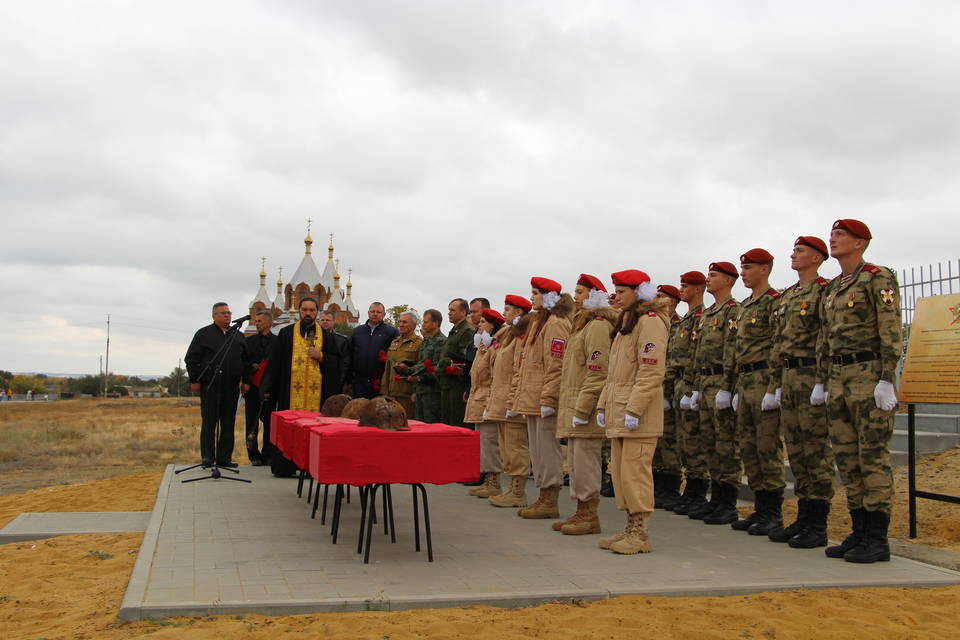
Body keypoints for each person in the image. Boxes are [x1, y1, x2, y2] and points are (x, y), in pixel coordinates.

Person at [816, 219, 902, 564]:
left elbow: (890, 325)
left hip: (868, 376)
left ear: (860, 243)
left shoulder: (877, 276)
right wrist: (823, 380)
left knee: (872, 458)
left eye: (840, 235)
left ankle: (878, 539)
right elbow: (825, 336)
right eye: (833, 234)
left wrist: (886, 377)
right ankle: (860, 531)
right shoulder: (835, 286)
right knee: (848, 460)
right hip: (839, 377)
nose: (833, 240)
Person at [766, 236, 835, 548]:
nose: (793, 255)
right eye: (793, 250)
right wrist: (775, 383)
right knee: (797, 452)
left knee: (815, 452)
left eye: (800, 251)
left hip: (811, 377)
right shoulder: (788, 296)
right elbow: (778, 342)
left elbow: (825, 336)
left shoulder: (825, 289)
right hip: (790, 377)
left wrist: (821, 380)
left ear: (817, 258)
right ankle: (804, 518)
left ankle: (817, 524)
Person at [596, 270, 669, 554]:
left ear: (639, 292)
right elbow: (613, 374)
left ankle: (640, 534)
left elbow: (651, 371)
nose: (617, 295)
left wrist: (635, 409)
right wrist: (604, 404)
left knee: (636, 473)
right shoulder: (628, 322)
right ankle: (629, 527)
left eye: (623, 291)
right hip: (619, 410)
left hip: (638, 415)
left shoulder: (650, 323)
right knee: (623, 474)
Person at [554, 274, 617, 535]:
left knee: (586, 462)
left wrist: (583, 408)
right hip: (574, 402)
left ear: (594, 296)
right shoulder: (582, 325)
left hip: (585, 406)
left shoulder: (598, 325)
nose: (576, 297)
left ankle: (589, 515)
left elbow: (597, 371)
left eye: (581, 292)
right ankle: (581, 510)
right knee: (578, 462)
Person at [729, 248, 786, 535]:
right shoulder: (744, 305)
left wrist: (774, 386)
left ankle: (773, 513)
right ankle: (761, 509)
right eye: (742, 267)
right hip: (746, 380)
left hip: (764, 378)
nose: (744, 272)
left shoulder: (773, 302)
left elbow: (778, 345)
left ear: (765, 269)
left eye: (749, 267)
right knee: (749, 448)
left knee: (767, 447)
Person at [509, 277, 574, 519]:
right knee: (537, 451)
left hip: (543, 397)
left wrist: (548, 398)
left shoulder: (555, 323)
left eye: (536, 293)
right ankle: (542, 496)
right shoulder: (539, 322)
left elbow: (555, 364)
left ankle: (550, 499)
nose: (531, 298)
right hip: (532, 396)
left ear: (548, 297)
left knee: (547, 451)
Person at [686, 262, 742, 524]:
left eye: (714, 275)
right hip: (705, 381)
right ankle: (716, 500)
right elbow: (697, 355)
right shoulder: (708, 315)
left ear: (729, 281)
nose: (708, 279)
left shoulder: (733, 311)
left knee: (725, 445)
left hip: (721, 380)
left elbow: (732, 351)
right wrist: (695, 387)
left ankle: (727, 503)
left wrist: (729, 387)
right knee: (709, 442)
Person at [260, 297, 335, 475]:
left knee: (314, 429)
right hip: (289, 392)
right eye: (304, 310)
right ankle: (286, 467)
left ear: (317, 312)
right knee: (289, 428)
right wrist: (268, 388)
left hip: (316, 396)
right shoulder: (286, 334)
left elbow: (336, 362)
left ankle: (311, 467)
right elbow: (274, 363)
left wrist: (322, 356)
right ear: (299, 311)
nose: (308, 313)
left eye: (312, 310)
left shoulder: (325, 336)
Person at [184, 302, 253, 468]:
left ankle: (224, 458)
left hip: (231, 386)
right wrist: (194, 380)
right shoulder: (203, 334)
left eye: (229, 313)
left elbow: (246, 361)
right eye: (223, 313)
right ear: (214, 316)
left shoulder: (237, 335)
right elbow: (191, 359)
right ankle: (208, 457)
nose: (227, 316)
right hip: (210, 385)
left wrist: (246, 381)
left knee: (228, 422)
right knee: (209, 422)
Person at [487, 295, 534, 508]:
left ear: (518, 313)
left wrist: (514, 399)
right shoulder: (508, 334)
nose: (504, 313)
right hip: (502, 396)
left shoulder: (521, 334)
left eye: (508, 309)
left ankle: (518, 491)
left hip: (512, 398)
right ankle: (512, 489)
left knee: (516, 447)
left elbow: (519, 368)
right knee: (508, 448)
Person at [673, 271, 709, 515]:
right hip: (679, 382)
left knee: (697, 441)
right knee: (685, 441)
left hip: (695, 381)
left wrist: (693, 386)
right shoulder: (687, 318)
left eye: (686, 286)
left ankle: (699, 493)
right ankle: (691, 492)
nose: (681, 290)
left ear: (698, 289)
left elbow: (698, 355)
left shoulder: (701, 316)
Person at [464, 308, 506, 497]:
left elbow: (496, 377)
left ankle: (494, 481)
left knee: (490, 442)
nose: (478, 325)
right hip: (478, 397)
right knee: (482, 442)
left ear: (491, 325)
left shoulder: (494, 348)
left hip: (488, 398)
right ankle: (488, 479)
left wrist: (491, 401)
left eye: (482, 322)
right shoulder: (483, 347)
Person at [652, 284, 684, 509]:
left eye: (662, 296)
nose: (657, 299)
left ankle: (670, 487)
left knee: (670, 439)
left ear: (672, 301)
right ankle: (658, 485)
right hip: (655, 387)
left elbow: (676, 358)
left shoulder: (678, 324)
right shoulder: (655, 322)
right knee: (656, 441)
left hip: (671, 387)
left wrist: (670, 390)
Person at [436, 298, 476, 427]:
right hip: (447, 382)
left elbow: (463, 357)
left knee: (456, 421)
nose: (449, 313)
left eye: (452, 310)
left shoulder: (467, 331)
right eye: (449, 310)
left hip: (457, 384)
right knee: (447, 421)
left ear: (463, 312)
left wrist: (444, 364)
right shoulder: (455, 330)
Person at [243, 311, 276, 465]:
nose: (257, 323)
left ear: (269, 323)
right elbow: (243, 362)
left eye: (260, 321)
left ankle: (268, 454)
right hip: (253, 388)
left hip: (270, 389)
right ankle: (253, 454)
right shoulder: (249, 342)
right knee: (252, 422)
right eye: (256, 321)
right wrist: (250, 370)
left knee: (270, 423)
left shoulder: (277, 342)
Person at [349, 302, 399, 399]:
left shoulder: (391, 332)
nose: (375, 314)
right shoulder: (357, 331)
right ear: (368, 313)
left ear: (384, 314)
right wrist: (349, 380)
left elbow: (395, 356)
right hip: (359, 382)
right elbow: (350, 354)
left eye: (378, 312)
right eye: (372, 311)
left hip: (380, 383)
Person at [380, 311, 423, 418]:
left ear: (413, 325)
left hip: (407, 395)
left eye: (405, 322)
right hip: (392, 394)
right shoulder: (395, 342)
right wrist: (385, 391)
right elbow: (387, 368)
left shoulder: (419, 343)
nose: (401, 325)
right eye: (400, 322)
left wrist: (416, 392)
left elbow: (421, 369)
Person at [408, 309, 446, 423]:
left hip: (433, 392)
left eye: (426, 322)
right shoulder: (426, 341)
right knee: (420, 425)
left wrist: (419, 378)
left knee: (431, 425)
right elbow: (421, 364)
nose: (423, 324)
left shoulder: (441, 341)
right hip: (421, 391)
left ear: (436, 323)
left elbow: (436, 367)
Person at [319, 309, 351, 398]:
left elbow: (345, 363)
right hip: (315, 381)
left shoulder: (342, 340)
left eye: (328, 320)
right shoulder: (312, 338)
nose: (325, 322)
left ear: (333, 322)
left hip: (334, 382)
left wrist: (340, 381)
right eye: (322, 320)